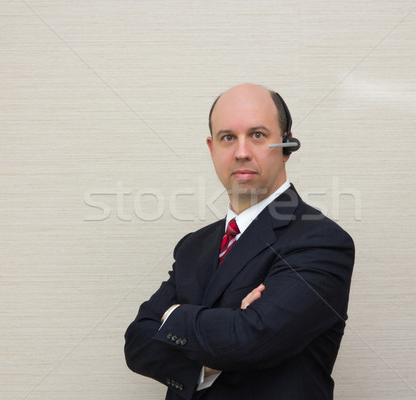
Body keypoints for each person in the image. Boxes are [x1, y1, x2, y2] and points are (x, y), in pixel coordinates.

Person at [124, 83, 355, 400]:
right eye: (228, 138)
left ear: (286, 146)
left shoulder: (321, 242)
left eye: (258, 135)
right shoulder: (193, 246)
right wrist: (217, 349)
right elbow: (137, 342)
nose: (241, 151)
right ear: (211, 148)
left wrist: (173, 316)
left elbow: (254, 339)